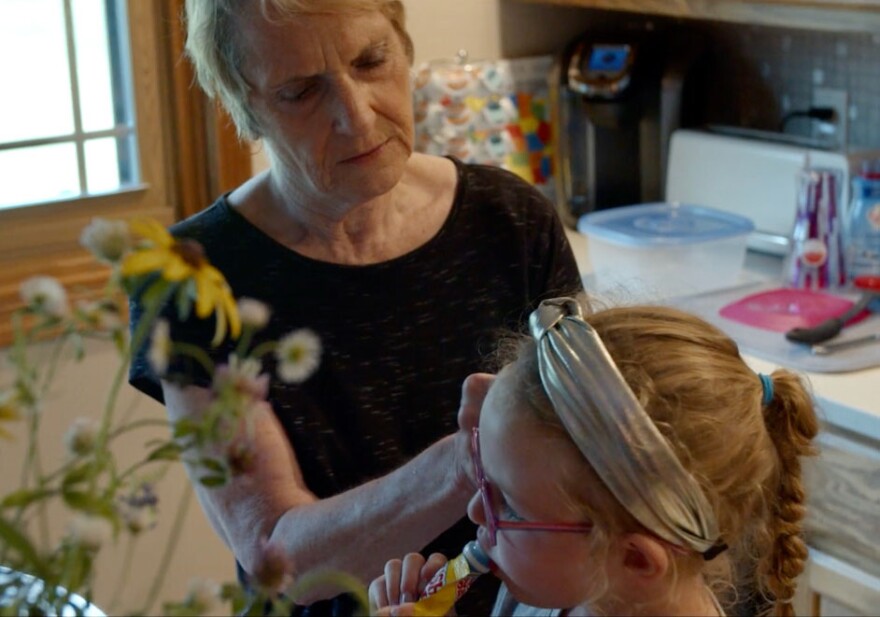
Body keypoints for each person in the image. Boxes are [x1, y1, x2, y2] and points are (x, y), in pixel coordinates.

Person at [127, 0, 582, 615]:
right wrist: (467, 457)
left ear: (405, 45)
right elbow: (278, 560)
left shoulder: (512, 221)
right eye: (300, 92)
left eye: (372, 61)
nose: (358, 115)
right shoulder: (194, 275)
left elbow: (582, 458)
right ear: (245, 107)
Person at [370, 297, 819, 617]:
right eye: (487, 483)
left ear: (635, 559)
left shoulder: (557, 581)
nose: (473, 510)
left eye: (507, 503)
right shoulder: (563, 590)